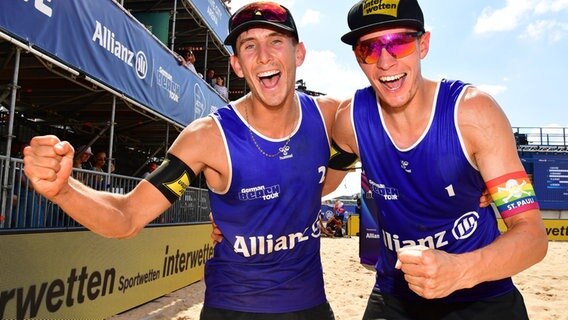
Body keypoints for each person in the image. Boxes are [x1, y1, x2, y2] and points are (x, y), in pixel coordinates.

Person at [23, 2, 340, 319]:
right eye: (249, 45)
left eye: (275, 41)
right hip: (235, 308)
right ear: (237, 65)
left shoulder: (330, 117)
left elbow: (348, 166)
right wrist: (63, 189)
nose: (264, 55)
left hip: (309, 307)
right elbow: (127, 216)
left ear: (298, 53)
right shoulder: (207, 138)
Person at [327, 0, 548, 319]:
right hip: (395, 294)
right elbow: (320, 182)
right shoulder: (351, 123)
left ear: (423, 44)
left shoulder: (473, 114)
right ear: (357, 57)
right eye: (370, 49)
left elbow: (532, 235)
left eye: (399, 43)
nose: (386, 62)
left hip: (481, 294)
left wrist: (460, 270)